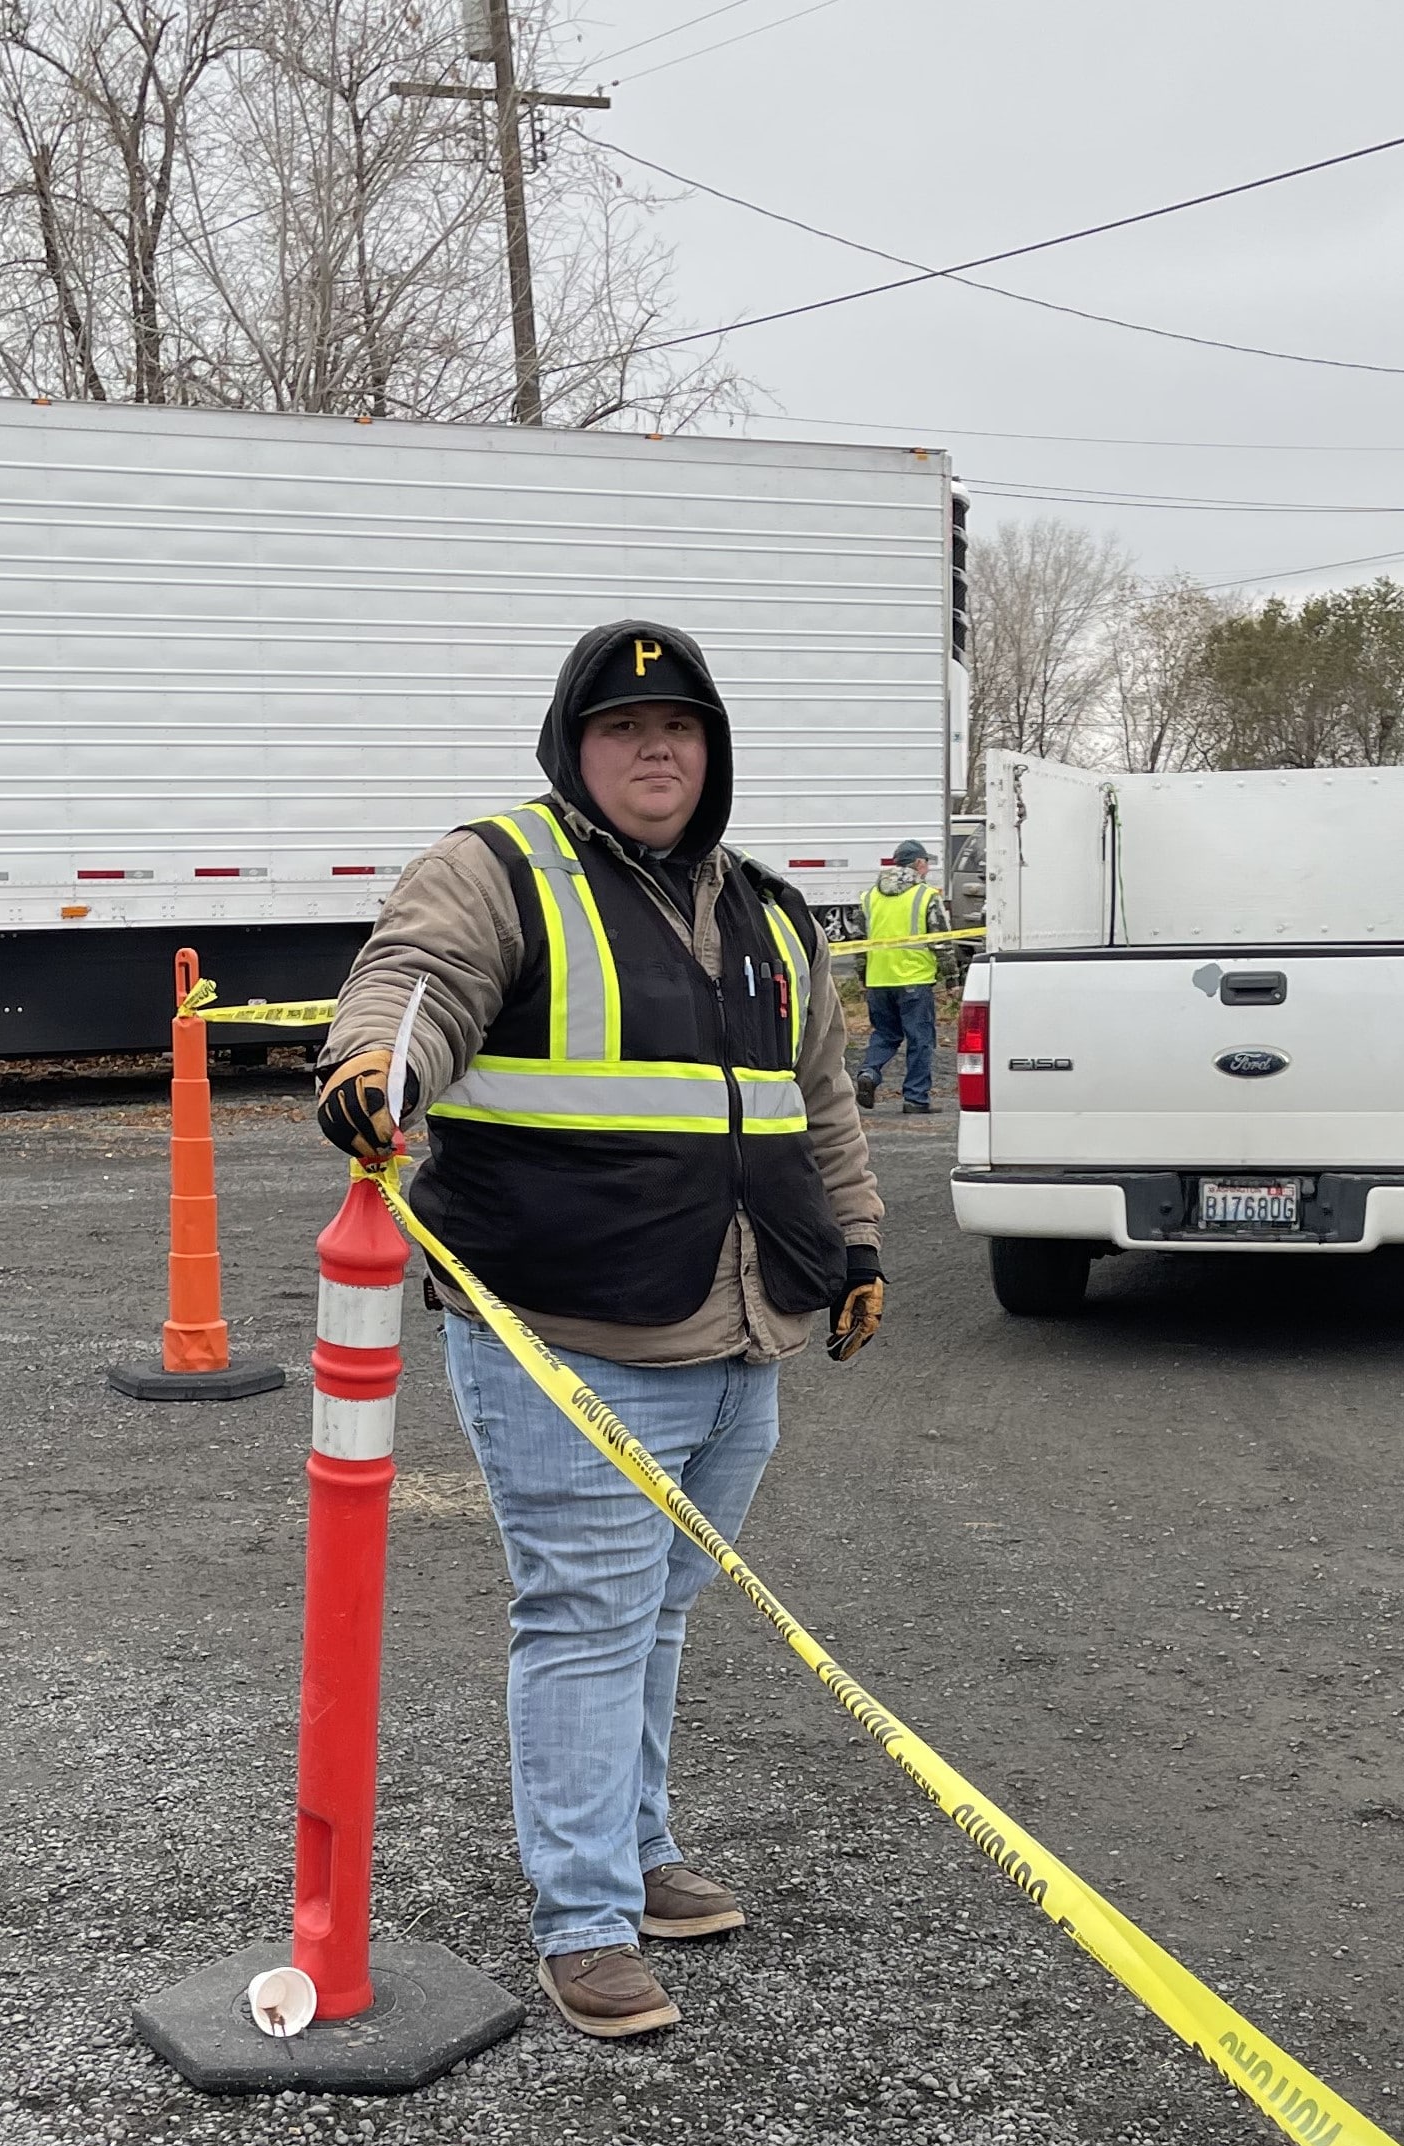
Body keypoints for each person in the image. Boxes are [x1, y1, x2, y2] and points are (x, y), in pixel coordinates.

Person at [313, 621, 886, 2042]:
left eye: (679, 729)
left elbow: (821, 1101)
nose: (654, 750)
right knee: (583, 1615)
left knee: (662, 1608)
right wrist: (373, 1065)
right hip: (564, 1332)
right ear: (575, 745)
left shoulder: (767, 909)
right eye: (624, 728)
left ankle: (634, 1850)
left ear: (714, 752)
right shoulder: (498, 871)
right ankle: (584, 1921)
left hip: (743, 1327)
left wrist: (858, 1242)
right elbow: (413, 985)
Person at [855, 838, 953, 1116]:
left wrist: (864, 977)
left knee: (885, 1034)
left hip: (878, 980)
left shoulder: (869, 897)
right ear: (918, 863)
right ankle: (916, 1098)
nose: (928, 868)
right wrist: (953, 980)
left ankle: (869, 1072)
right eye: (927, 863)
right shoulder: (925, 895)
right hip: (914, 979)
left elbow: (860, 944)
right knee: (920, 1040)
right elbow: (942, 941)